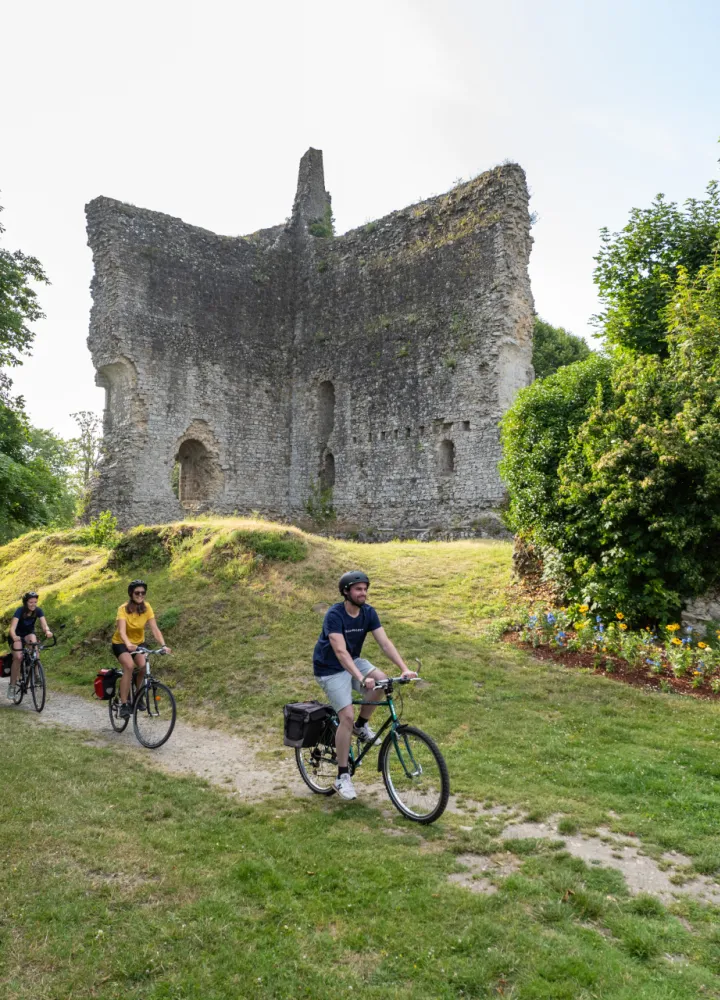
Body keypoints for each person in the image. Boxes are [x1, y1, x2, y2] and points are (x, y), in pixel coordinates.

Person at [313, 570, 417, 801]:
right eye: (358, 589)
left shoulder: (368, 613)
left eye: (365, 589)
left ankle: (361, 726)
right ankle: (342, 776)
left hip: (352, 660)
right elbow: (339, 651)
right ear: (346, 592)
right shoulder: (334, 615)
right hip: (330, 668)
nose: (364, 593)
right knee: (346, 716)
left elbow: (384, 643)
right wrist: (360, 679)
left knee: (381, 682)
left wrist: (404, 668)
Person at [111, 580, 171, 718]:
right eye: (137, 592)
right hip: (121, 643)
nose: (140, 595)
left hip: (138, 643)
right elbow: (121, 631)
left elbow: (154, 628)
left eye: (143, 593)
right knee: (129, 666)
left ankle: (138, 697)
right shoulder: (123, 609)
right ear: (131, 594)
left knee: (143, 666)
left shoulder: (147, 607)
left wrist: (163, 645)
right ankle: (124, 703)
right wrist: (128, 644)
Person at [7, 592, 53, 700]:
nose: (33, 604)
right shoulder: (20, 611)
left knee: (34, 643)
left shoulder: (38, 611)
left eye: (35, 602)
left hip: (28, 635)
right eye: (31, 602)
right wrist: (14, 636)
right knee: (18, 657)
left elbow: (44, 624)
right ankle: (12, 686)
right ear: (26, 602)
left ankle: (37, 675)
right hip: (17, 636)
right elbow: (12, 628)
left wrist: (47, 631)